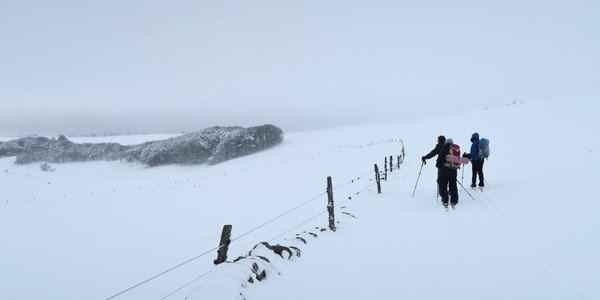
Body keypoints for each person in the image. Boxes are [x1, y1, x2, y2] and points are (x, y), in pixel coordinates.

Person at [436, 138, 459, 208]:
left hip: (444, 172)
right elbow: (458, 161)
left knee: (443, 186)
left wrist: (438, 166)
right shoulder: (456, 150)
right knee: (453, 186)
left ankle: (445, 200)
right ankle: (454, 200)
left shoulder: (443, 150)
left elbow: (439, 161)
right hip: (453, 171)